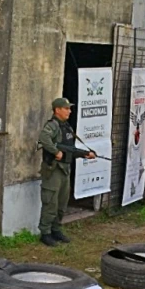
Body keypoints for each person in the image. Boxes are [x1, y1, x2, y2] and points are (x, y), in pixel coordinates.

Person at [37, 97, 95, 247]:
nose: (69, 111)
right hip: (54, 169)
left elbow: (70, 149)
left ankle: (56, 230)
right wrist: (56, 152)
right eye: (66, 108)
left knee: (62, 203)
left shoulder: (66, 127)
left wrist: (84, 154)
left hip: (64, 170)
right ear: (57, 110)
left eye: (69, 108)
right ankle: (45, 233)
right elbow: (44, 138)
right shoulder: (53, 125)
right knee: (50, 202)